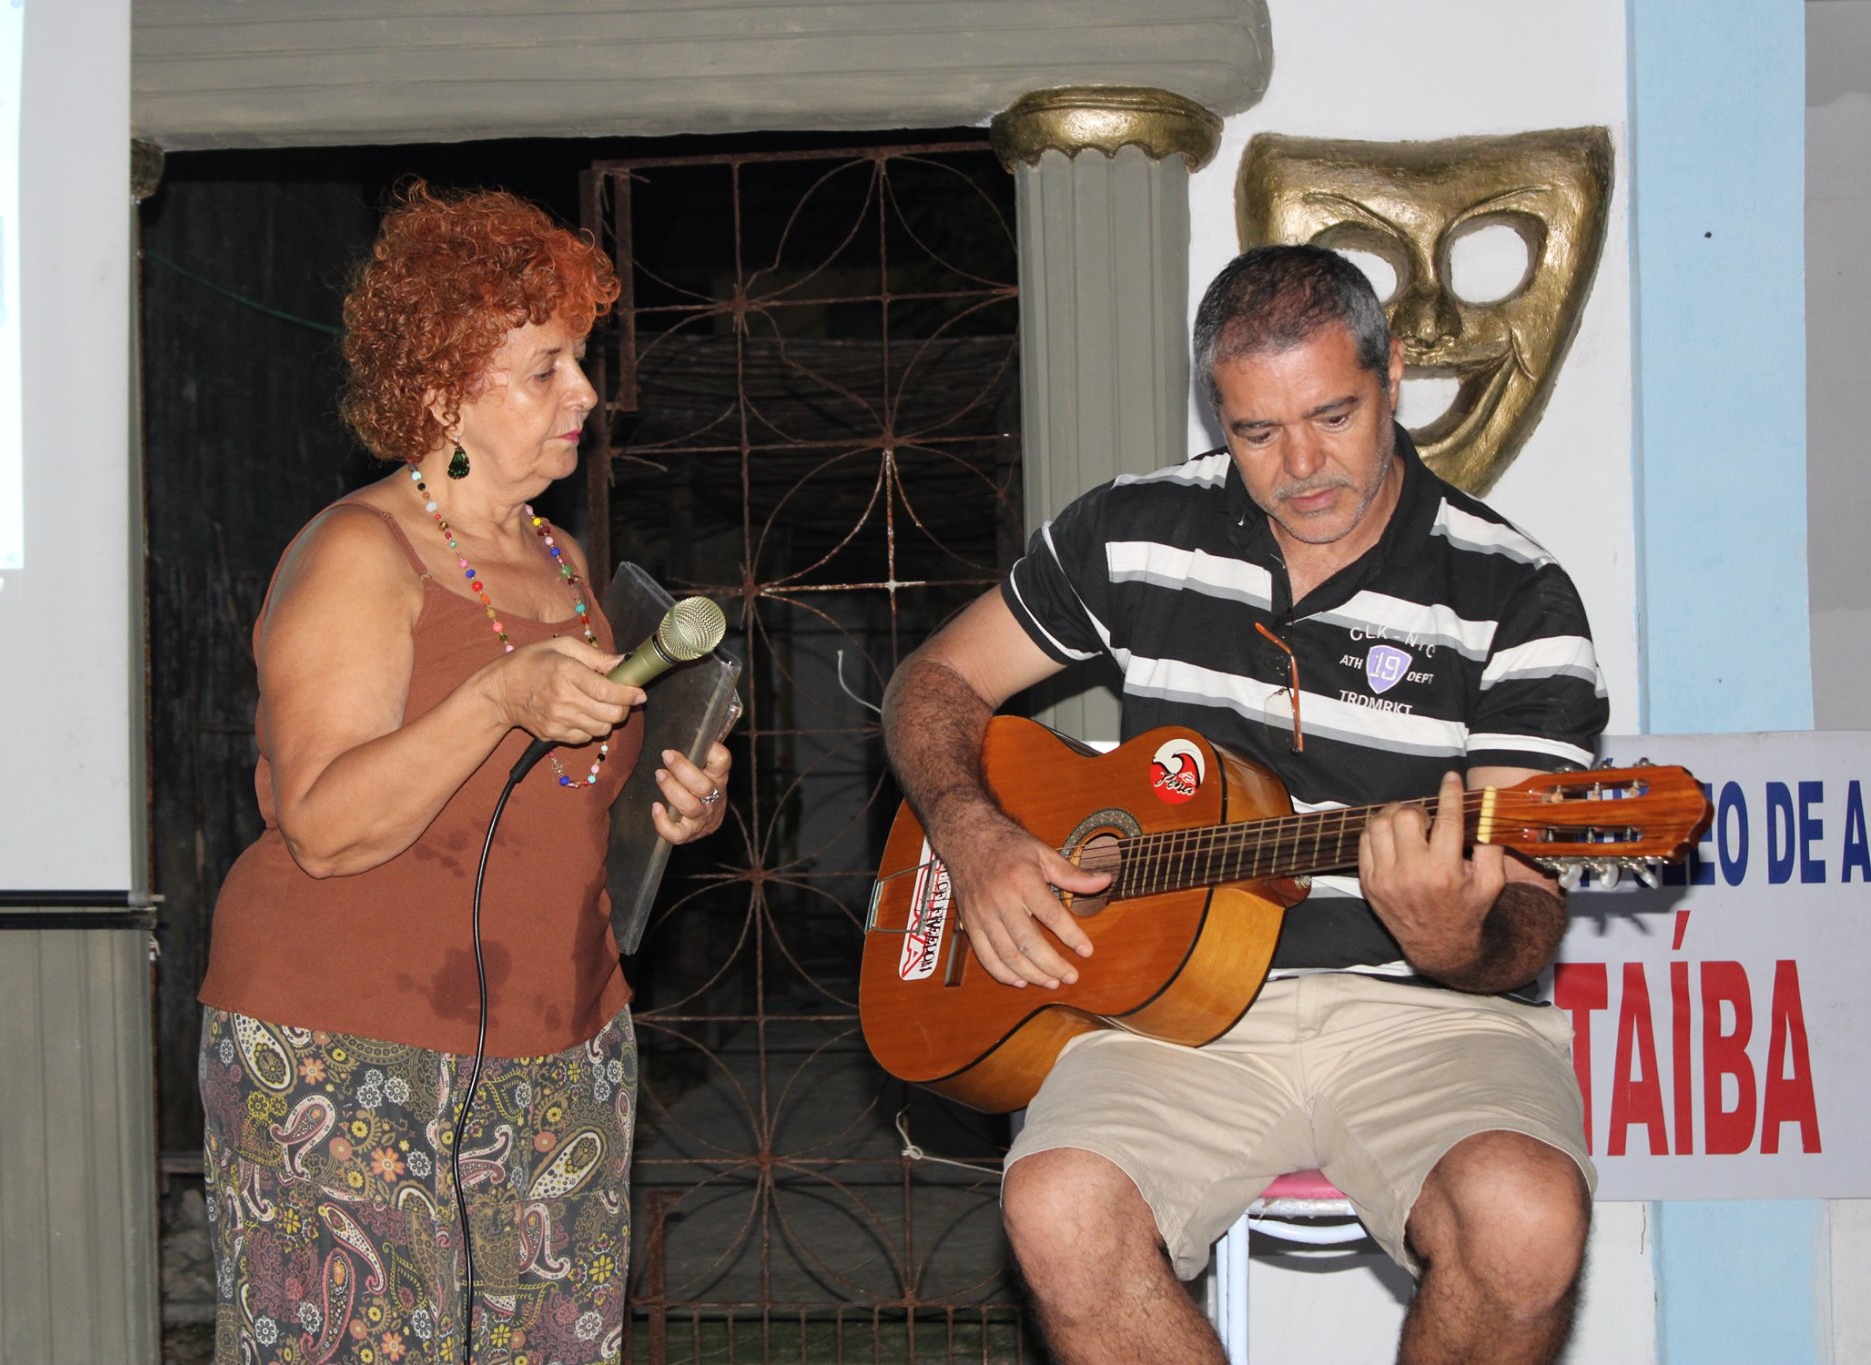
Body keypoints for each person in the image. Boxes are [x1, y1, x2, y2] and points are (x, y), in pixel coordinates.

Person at [882, 244, 1605, 1364]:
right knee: (1058, 1206)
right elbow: (932, 683)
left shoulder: (1514, 593)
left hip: (1428, 1014)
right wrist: (970, 833)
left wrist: (1454, 937)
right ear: (1214, 413)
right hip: (1162, 1019)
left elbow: (1526, 920)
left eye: (1332, 416)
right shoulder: (1133, 531)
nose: (1300, 466)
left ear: (1392, 375)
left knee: (1525, 1217)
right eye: (1256, 432)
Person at [199, 182, 733, 1365]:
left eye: (578, 361)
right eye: (545, 369)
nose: (583, 394)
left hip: (564, 1041)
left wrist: (676, 804)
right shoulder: (360, 552)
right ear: (443, 391)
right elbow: (322, 825)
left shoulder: (558, 556)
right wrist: (493, 697)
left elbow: (561, 793)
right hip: (345, 1045)